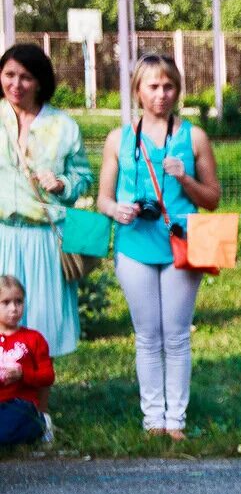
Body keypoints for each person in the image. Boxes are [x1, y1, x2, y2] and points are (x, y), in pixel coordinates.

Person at [97, 55, 222, 441]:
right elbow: (102, 198)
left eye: (168, 86)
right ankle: (153, 419)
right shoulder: (119, 139)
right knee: (148, 335)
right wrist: (116, 209)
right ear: (137, 90)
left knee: (177, 335)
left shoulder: (194, 136)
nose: (161, 94)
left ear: (177, 90)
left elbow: (213, 198)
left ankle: (176, 421)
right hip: (134, 245)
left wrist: (184, 177)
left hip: (183, 246)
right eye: (152, 86)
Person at [0, 44, 93, 366]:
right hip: (2, 234)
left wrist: (63, 184)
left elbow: (83, 176)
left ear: (39, 81)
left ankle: (40, 408)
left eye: (25, 77)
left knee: (42, 323)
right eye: (9, 74)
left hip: (44, 237)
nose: (15, 84)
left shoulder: (63, 127)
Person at [0, 276, 54, 446]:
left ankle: (42, 424)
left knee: (5, 433)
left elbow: (48, 376)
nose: (14, 308)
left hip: (21, 404)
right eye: (6, 302)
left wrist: (23, 374)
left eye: (18, 302)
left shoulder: (33, 338)